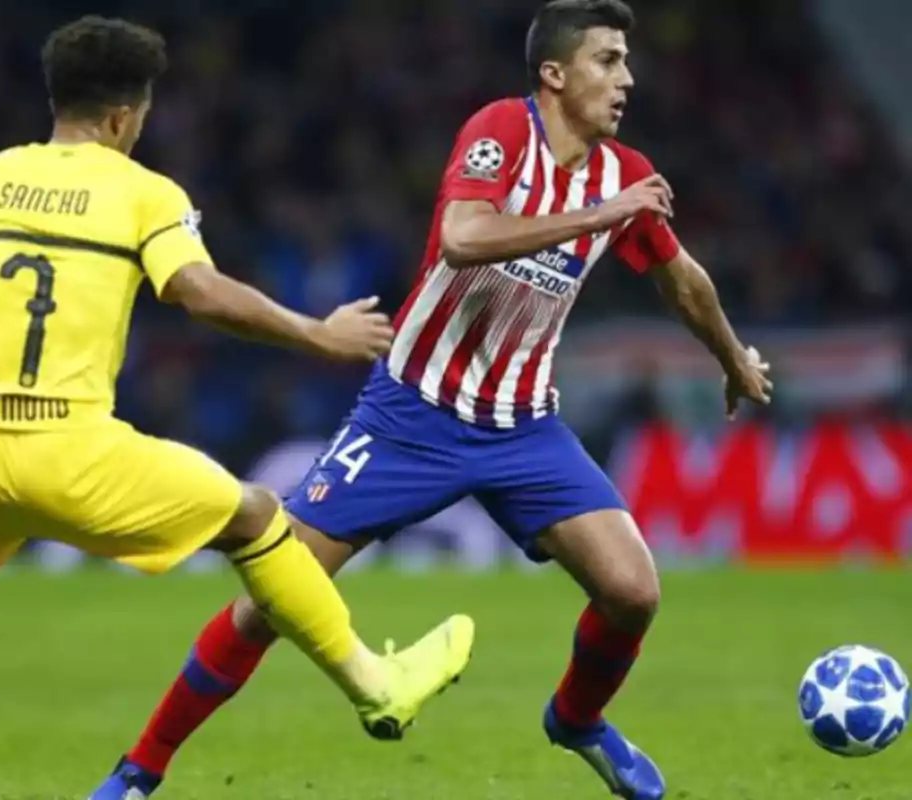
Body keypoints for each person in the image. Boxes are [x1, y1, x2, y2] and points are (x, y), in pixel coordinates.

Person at [0, 16, 477, 800]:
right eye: (141, 116)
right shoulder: (144, 192)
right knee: (255, 517)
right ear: (123, 116)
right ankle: (373, 684)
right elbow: (198, 292)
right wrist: (314, 332)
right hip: (62, 449)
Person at [92, 2, 773, 799]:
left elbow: (677, 273)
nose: (627, 79)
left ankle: (577, 720)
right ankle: (139, 771)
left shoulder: (623, 174)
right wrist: (599, 215)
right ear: (555, 74)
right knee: (272, 600)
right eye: (608, 60)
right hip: (410, 417)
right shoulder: (502, 132)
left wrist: (730, 357)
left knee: (633, 592)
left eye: (625, 62)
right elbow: (463, 235)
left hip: (525, 427)